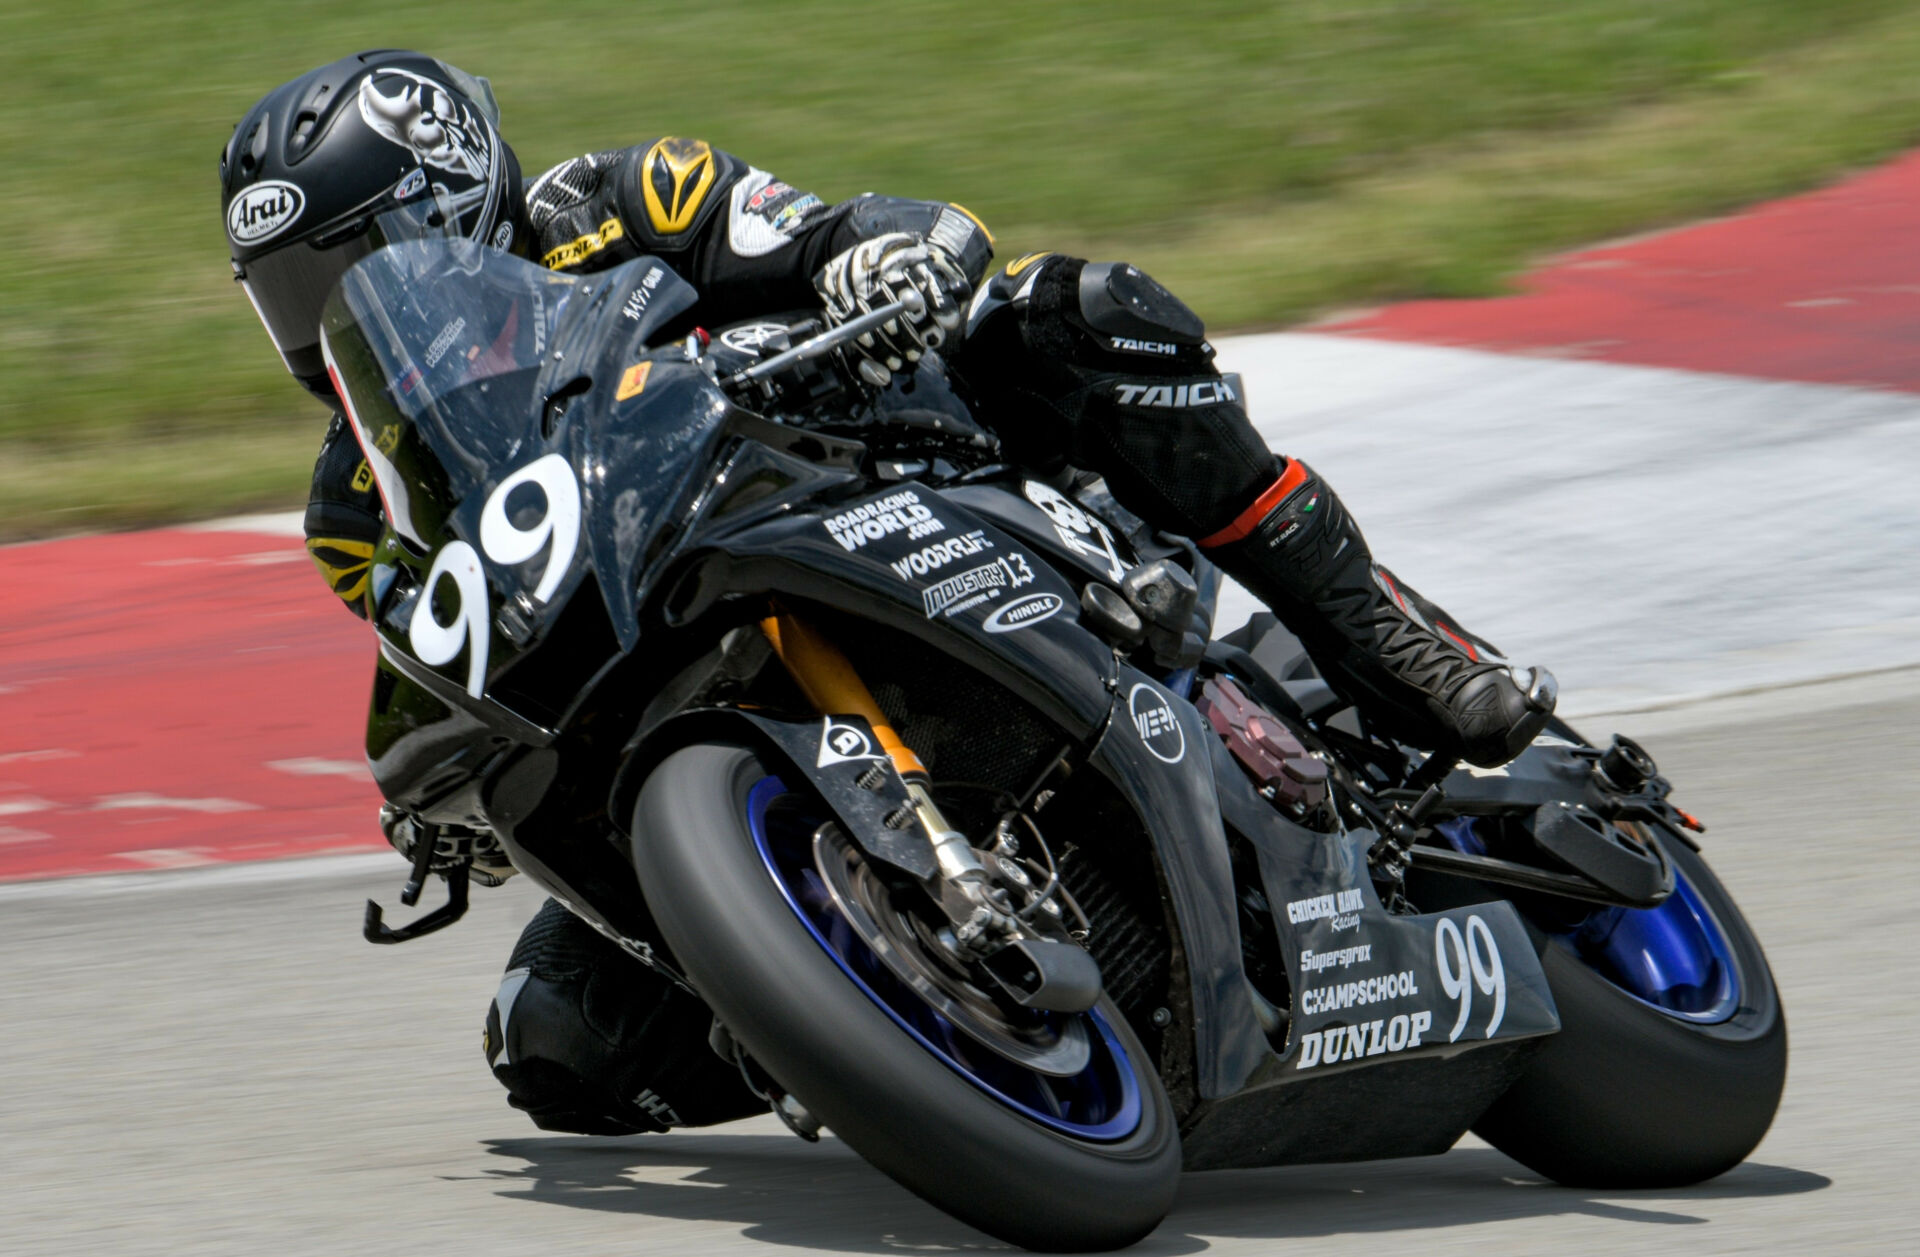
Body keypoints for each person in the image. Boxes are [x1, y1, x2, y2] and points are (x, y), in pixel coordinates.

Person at [222, 50, 1556, 1136]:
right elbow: (451, 634)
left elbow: (839, 227)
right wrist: (452, 793)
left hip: (900, 462)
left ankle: (1386, 640)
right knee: (555, 1048)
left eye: (350, 257)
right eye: (291, 292)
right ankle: (883, 1020)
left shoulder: (622, 199)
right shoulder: (355, 499)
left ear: (451, 199)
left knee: (1076, 315)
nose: (324, 310)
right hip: (680, 647)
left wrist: (882, 259)